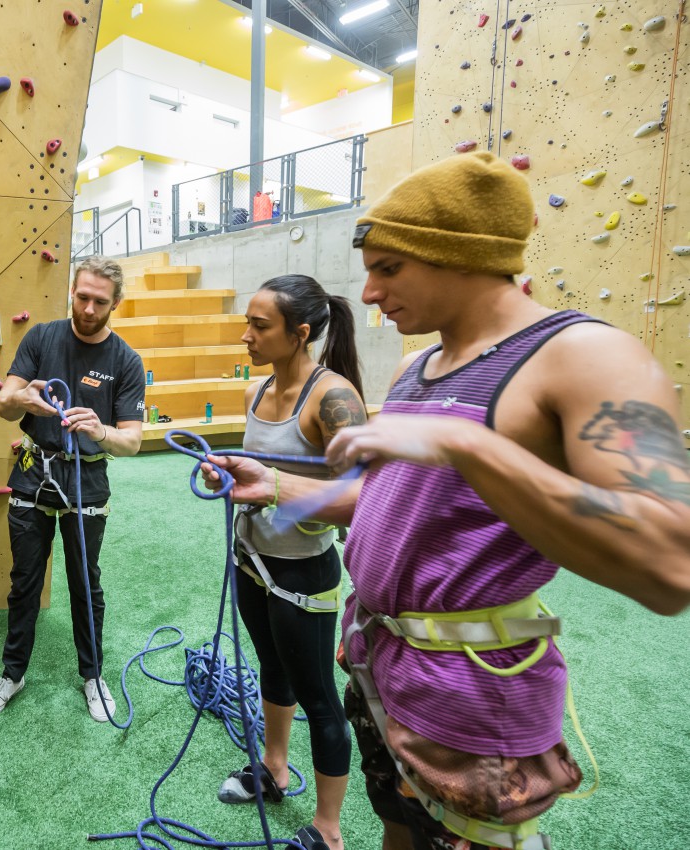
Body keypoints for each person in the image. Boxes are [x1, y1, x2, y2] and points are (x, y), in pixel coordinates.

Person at [202, 152, 690, 850]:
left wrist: (471, 446)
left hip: (473, 695)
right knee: (397, 829)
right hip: (381, 667)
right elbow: (393, 504)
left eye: (389, 268)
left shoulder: (585, 356)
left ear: (461, 255)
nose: (369, 293)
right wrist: (277, 485)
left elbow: (670, 564)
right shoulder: (417, 367)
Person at [215, 275, 365, 850]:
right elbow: (262, 470)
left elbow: (365, 495)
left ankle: (328, 830)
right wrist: (228, 471)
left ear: (299, 333)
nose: (246, 336)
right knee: (271, 670)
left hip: (303, 571)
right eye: (247, 324)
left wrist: (275, 487)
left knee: (319, 697)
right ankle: (274, 768)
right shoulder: (255, 392)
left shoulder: (333, 398)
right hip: (252, 559)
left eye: (259, 326)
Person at [0, 256, 146, 722]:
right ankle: (13, 674)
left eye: (100, 302)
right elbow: (5, 405)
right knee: (24, 582)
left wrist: (100, 430)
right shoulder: (41, 338)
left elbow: (132, 441)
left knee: (85, 583)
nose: (89, 308)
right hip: (35, 472)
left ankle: (92, 675)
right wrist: (20, 398)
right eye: (82, 297)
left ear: (116, 303)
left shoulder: (125, 360)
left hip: (87, 477)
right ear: (72, 291)